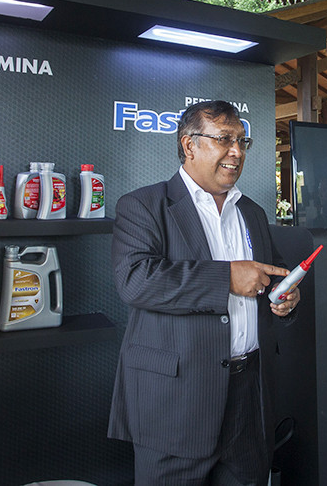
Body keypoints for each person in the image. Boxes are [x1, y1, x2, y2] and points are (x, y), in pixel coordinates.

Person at [108, 100, 301, 485]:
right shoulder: (144, 205)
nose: (237, 152)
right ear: (189, 145)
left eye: (243, 142)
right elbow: (136, 279)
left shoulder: (253, 212)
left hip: (249, 398)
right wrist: (226, 279)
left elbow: (270, 278)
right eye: (225, 139)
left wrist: (285, 297)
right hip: (176, 403)